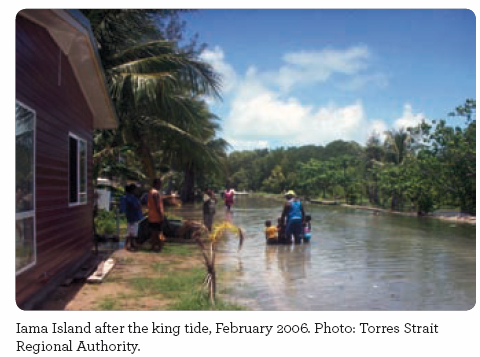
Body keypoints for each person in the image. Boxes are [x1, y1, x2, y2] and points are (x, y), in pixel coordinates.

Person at [147, 178, 165, 252]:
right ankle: (158, 247)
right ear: (155, 184)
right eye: (159, 184)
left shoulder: (150, 192)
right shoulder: (156, 193)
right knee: (158, 232)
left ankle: (153, 246)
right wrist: (161, 215)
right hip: (157, 216)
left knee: (153, 232)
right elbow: (157, 206)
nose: (160, 185)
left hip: (151, 216)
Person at [124, 183, 143, 251]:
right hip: (133, 217)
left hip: (132, 217)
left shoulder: (129, 197)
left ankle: (129, 244)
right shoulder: (131, 198)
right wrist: (139, 204)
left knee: (130, 231)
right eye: (136, 189)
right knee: (132, 232)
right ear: (133, 190)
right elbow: (135, 206)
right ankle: (130, 245)